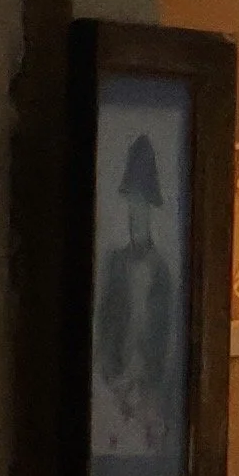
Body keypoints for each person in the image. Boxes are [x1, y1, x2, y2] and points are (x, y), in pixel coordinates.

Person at [93, 131, 175, 458]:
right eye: (131, 203)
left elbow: (164, 340)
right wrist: (113, 381)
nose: (134, 213)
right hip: (113, 390)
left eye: (141, 204)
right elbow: (103, 330)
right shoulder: (114, 265)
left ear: (150, 209)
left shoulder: (162, 273)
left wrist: (145, 388)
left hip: (148, 396)